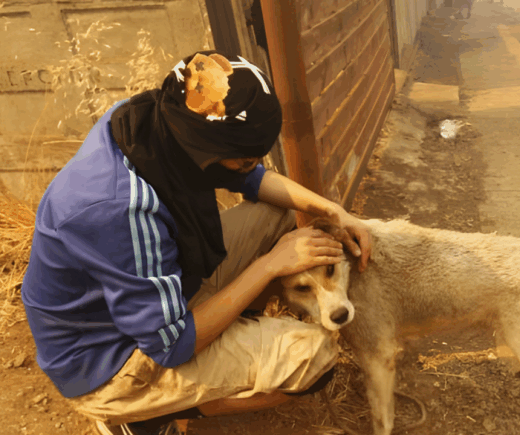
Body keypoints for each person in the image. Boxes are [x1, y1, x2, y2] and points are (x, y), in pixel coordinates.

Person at [21, 51, 372, 435]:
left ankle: (227, 329)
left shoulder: (156, 119)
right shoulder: (122, 210)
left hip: (145, 300)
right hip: (107, 359)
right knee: (315, 358)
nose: (250, 167)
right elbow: (170, 345)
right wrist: (269, 265)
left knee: (278, 213)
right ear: (204, 149)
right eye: (242, 160)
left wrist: (337, 213)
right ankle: (146, 414)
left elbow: (251, 180)